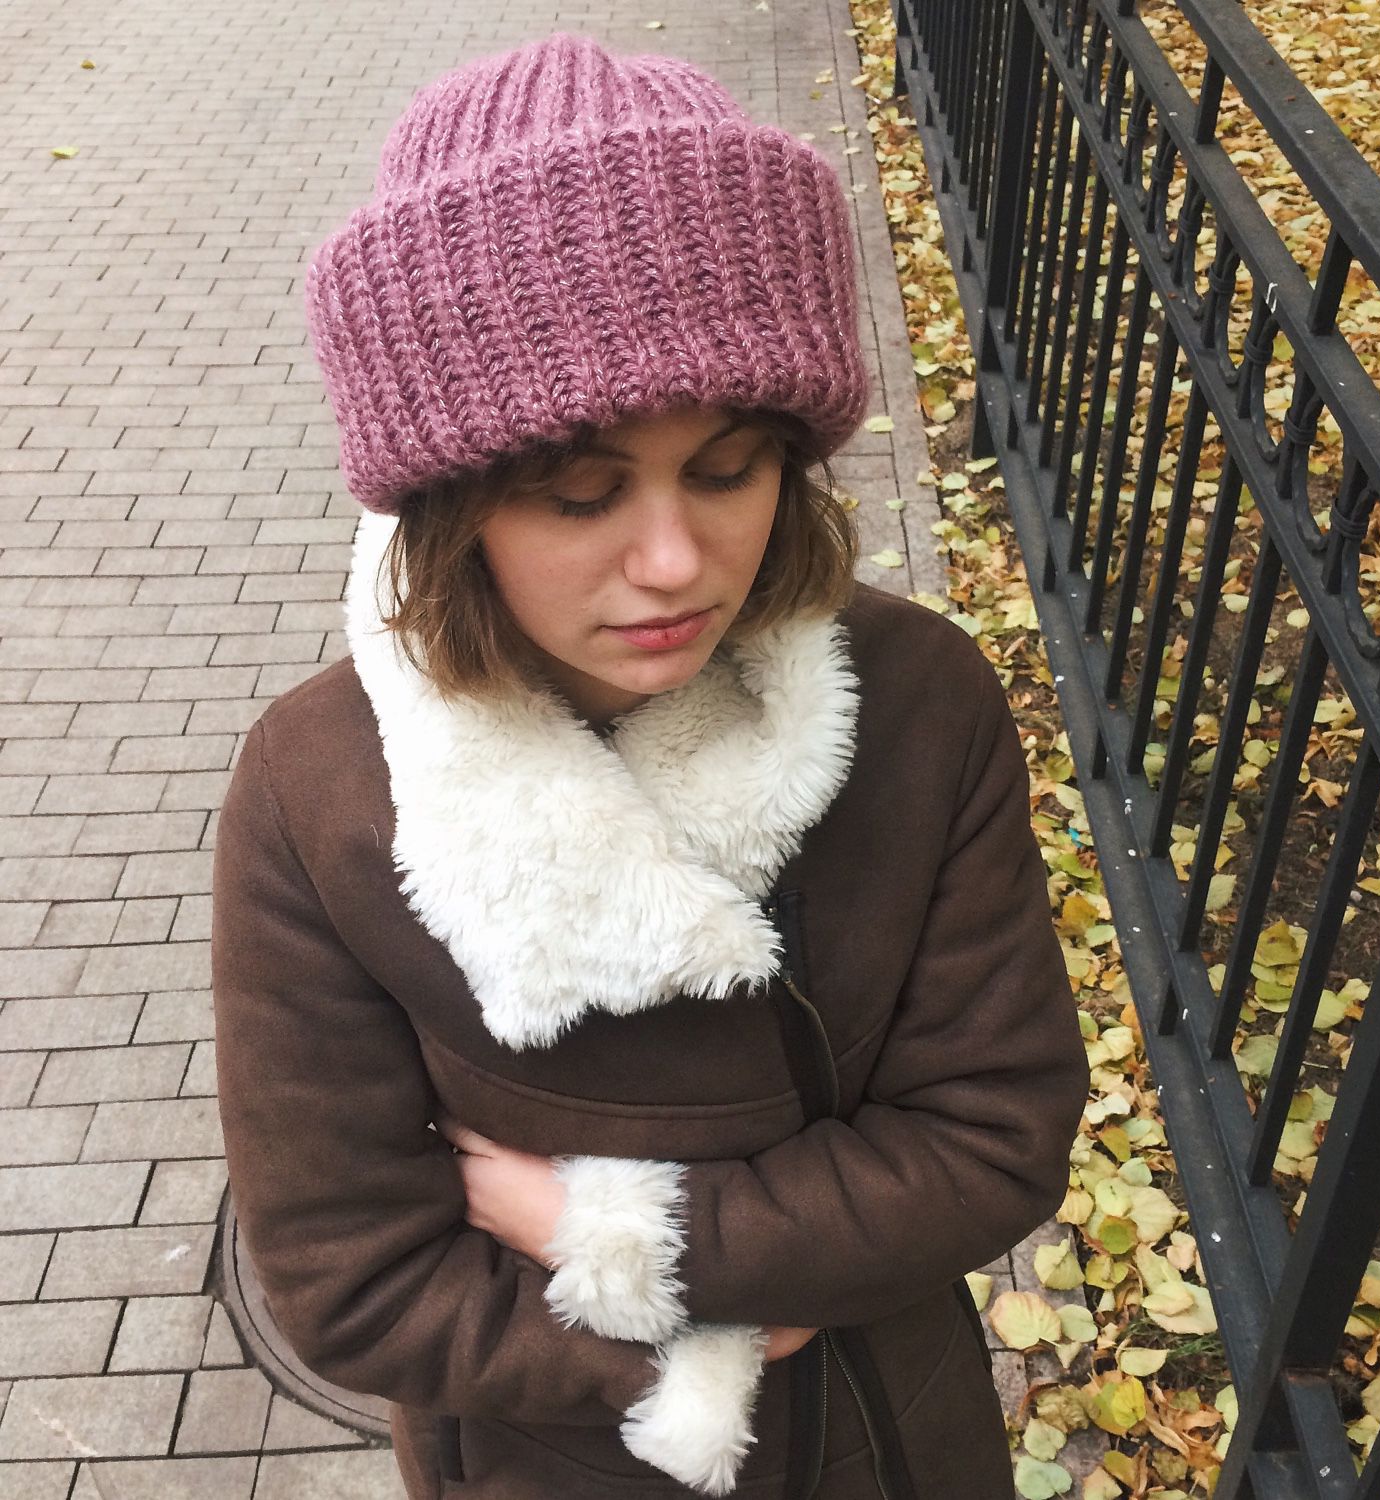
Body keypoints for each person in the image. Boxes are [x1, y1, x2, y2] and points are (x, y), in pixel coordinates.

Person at [210, 29, 1088, 1500]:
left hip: (899, 1445)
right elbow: (349, 1275)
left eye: (728, 470)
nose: (676, 562)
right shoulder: (322, 791)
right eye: (579, 493)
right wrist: (718, 1346)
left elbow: (993, 1138)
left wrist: (608, 1233)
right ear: (453, 511)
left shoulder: (916, 704)